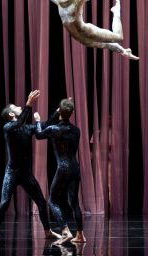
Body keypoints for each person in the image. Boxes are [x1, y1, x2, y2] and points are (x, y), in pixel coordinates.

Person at [0, 90, 62, 243]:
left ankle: (48, 232)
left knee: (41, 202)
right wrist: (28, 104)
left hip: (25, 173)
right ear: (11, 114)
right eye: (16, 107)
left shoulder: (27, 128)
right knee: (5, 202)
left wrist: (58, 111)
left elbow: (45, 126)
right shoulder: (8, 128)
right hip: (12, 173)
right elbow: (18, 122)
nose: (19, 107)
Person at [31, 0, 139, 60]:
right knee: (106, 45)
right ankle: (124, 51)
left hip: (87, 31)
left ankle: (116, 12)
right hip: (79, 38)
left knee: (119, 38)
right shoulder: (59, 1)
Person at [36, 99, 86, 243]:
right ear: (72, 113)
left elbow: (39, 135)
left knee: (52, 200)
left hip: (63, 168)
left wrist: (39, 120)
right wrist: (61, 111)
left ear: (59, 112)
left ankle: (65, 231)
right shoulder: (77, 130)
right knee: (74, 202)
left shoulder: (54, 129)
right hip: (75, 168)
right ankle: (80, 235)